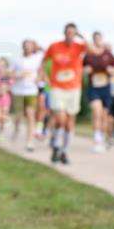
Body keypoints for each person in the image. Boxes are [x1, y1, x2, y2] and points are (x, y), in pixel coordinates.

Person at [43, 23, 87, 164]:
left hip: (74, 88)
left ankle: (64, 151)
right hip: (57, 87)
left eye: (73, 33)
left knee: (69, 122)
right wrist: (45, 77)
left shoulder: (79, 47)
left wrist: (83, 36)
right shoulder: (55, 46)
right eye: (68, 32)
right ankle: (56, 144)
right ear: (64, 33)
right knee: (60, 119)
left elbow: (93, 50)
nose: (70, 35)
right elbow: (44, 62)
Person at [83, 32, 114, 153]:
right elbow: (82, 67)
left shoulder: (107, 54)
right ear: (93, 40)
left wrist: (112, 71)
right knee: (96, 112)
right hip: (94, 88)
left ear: (102, 39)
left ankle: (101, 138)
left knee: (104, 116)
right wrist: (86, 70)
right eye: (95, 39)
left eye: (99, 38)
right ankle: (96, 139)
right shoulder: (88, 55)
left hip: (105, 88)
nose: (98, 40)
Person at [11, 39, 43, 151]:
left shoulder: (37, 58)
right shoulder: (16, 59)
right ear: (23, 47)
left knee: (30, 115)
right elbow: (11, 73)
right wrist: (18, 75)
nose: (28, 48)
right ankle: (16, 128)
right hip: (18, 91)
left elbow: (41, 71)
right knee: (18, 115)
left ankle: (29, 142)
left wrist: (39, 78)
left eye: (30, 46)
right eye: (26, 46)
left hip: (31, 91)